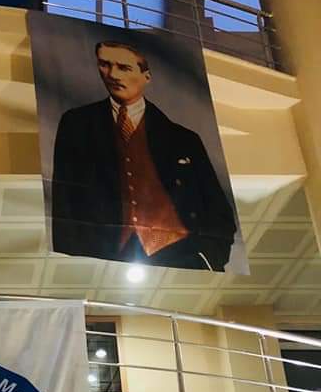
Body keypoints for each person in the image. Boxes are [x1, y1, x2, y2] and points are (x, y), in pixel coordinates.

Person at [51, 41, 237, 270]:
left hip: (181, 253)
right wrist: (73, 264)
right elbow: (63, 203)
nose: (112, 75)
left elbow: (218, 210)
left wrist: (208, 258)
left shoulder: (184, 139)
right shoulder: (76, 124)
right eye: (105, 64)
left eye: (124, 68)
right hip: (104, 254)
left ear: (146, 76)